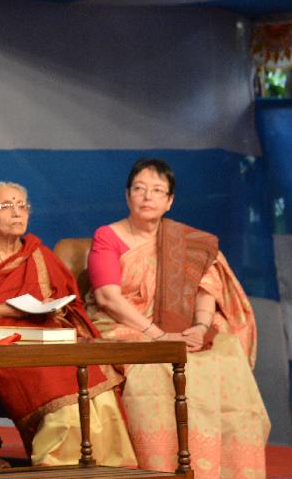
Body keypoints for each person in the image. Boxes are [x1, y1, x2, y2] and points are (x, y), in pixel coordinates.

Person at [86, 158, 270, 479]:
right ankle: (165, 466)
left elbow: (206, 287)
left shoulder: (187, 242)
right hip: (124, 324)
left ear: (169, 200)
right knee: (160, 365)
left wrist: (199, 327)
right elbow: (107, 298)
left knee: (224, 352)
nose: (148, 197)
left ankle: (231, 468)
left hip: (180, 327)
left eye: (157, 190)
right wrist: (158, 335)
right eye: (140, 189)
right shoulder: (107, 236)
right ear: (127, 195)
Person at [0, 181, 135, 467]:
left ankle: (110, 466)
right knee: (57, 387)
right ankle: (58, 465)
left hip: (44, 331)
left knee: (94, 379)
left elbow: (68, 298)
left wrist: (56, 309)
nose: (17, 212)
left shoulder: (37, 252)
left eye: (22, 206)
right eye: (6, 206)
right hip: (3, 338)